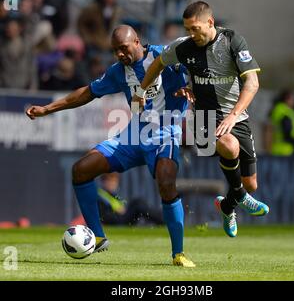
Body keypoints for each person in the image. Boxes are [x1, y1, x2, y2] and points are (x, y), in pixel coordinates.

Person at [26, 25, 195, 267]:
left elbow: (198, 66)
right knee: (81, 170)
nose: (119, 55)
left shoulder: (164, 55)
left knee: (166, 181)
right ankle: (98, 236)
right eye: (115, 51)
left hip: (165, 133)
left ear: (137, 41)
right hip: (132, 136)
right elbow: (87, 93)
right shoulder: (118, 71)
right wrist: (47, 109)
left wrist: (192, 88)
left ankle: (178, 253)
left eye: (123, 49)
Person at [133, 1, 269, 238]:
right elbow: (157, 64)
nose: (191, 34)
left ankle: (229, 204)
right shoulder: (183, 47)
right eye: (187, 29)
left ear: (210, 22)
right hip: (203, 118)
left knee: (251, 184)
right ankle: (238, 195)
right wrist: (140, 91)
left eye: (195, 28)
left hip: (237, 116)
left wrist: (233, 116)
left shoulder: (233, 41)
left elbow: (253, 83)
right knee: (229, 145)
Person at [270, 90, 294, 156]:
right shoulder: (282, 110)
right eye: (292, 99)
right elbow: (285, 126)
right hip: (283, 147)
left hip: (286, 146)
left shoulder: (287, 110)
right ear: (286, 99)